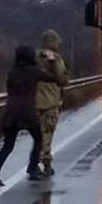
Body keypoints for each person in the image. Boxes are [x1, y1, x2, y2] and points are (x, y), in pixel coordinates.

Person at [0, 46, 60, 187]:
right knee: (38, 139)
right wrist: (51, 61)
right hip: (27, 112)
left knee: (7, 146)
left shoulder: (12, 73)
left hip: (11, 112)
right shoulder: (33, 71)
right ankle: (33, 168)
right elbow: (54, 78)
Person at [36, 30, 70, 176]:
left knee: (37, 133)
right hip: (50, 100)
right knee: (48, 133)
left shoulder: (34, 57)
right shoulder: (55, 58)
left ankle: (34, 162)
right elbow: (62, 78)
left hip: (34, 100)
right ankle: (46, 162)